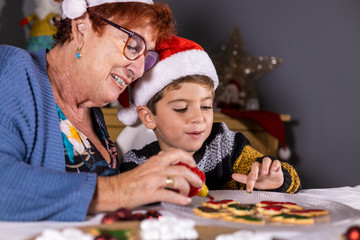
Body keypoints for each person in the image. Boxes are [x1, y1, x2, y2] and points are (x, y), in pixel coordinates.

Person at [0, 0, 204, 221]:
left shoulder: (91, 109)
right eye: (133, 45)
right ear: (81, 28)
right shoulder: (13, 70)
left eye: (147, 57)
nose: (138, 70)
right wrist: (120, 190)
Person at [118, 36, 301, 194]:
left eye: (206, 106)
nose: (198, 118)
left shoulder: (225, 144)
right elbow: (130, 198)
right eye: (181, 108)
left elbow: (289, 180)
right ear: (149, 117)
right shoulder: (139, 162)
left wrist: (276, 179)